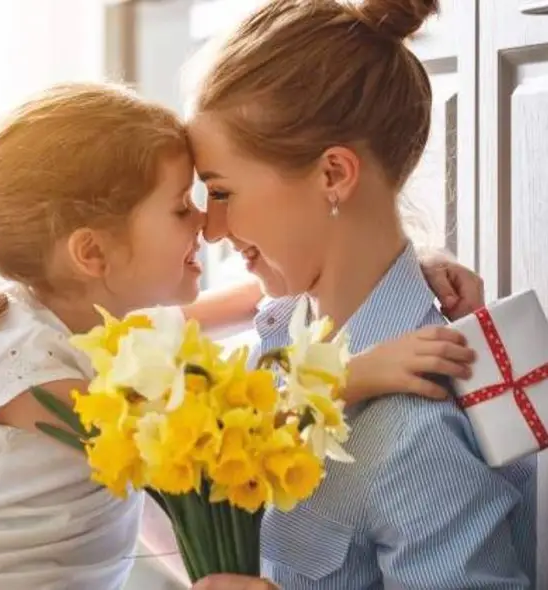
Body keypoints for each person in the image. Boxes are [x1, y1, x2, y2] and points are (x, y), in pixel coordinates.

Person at [0, 82, 480, 590]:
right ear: (93, 253)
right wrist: (353, 375)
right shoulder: (31, 369)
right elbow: (197, 441)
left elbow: (265, 292)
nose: (207, 224)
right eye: (181, 207)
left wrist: (406, 265)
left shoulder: (97, 322)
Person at [184, 0, 537, 587]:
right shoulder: (275, 340)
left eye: (221, 193)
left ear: (333, 175)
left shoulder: (412, 433)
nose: (212, 229)